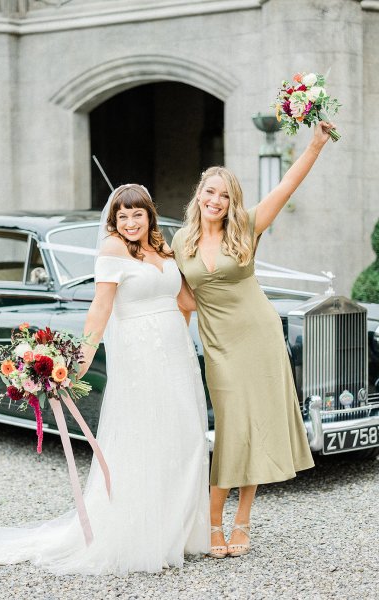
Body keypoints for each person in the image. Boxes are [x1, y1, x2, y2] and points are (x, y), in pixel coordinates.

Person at [0, 184, 210, 575]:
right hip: (141, 359)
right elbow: (99, 313)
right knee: (147, 440)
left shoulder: (165, 250)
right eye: (122, 216)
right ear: (114, 221)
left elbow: (186, 301)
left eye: (137, 214)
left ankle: (179, 529)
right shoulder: (113, 251)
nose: (131, 222)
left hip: (176, 356)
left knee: (186, 437)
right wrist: (69, 366)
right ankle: (143, 535)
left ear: (149, 214)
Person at [171, 121, 334, 558]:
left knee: (255, 426)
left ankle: (240, 521)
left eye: (225, 195)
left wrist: (314, 145)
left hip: (260, 336)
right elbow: (184, 298)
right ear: (199, 193)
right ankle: (211, 522)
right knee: (231, 428)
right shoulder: (180, 240)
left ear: (232, 201)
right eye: (210, 192)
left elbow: (287, 183)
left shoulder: (245, 225)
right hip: (219, 345)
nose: (216, 201)